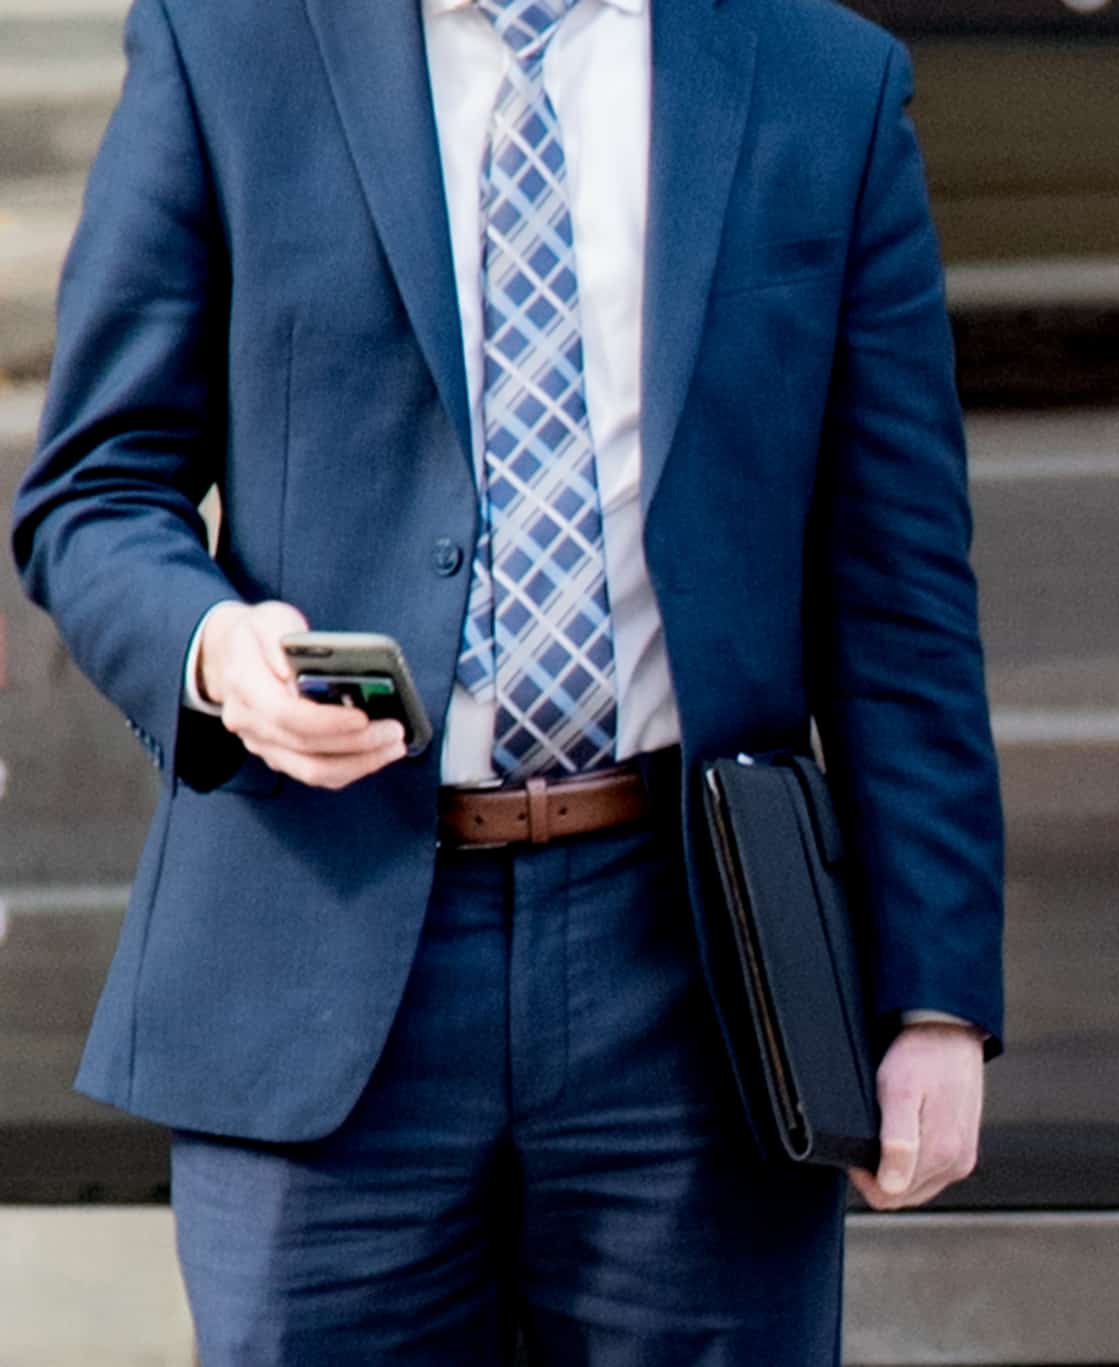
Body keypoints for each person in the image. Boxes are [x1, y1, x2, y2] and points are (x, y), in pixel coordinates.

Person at [10, 0, 1003, 1360]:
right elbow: (93, 490)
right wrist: (214, 653)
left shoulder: (820, 73)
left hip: (696, 974)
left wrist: (933, 998)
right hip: (323, 948)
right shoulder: (230, 39)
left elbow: (900, 587)